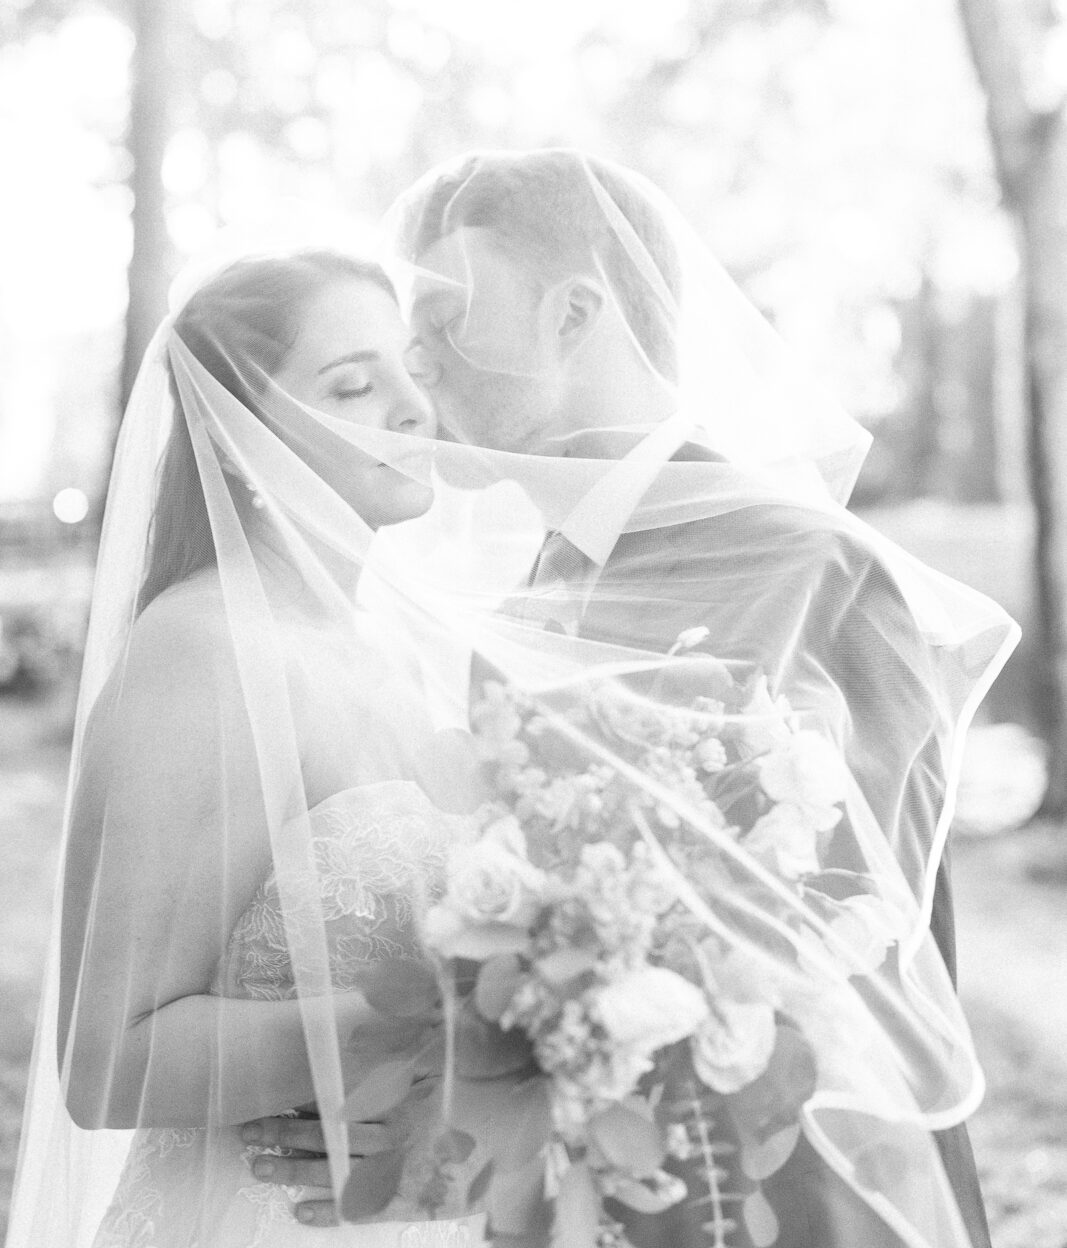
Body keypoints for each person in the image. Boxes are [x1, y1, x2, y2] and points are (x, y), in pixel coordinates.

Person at [258, 150, 1016, 1248]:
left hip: (786, 1206)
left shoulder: (814, 571)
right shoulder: (530, 596)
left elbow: (832, 976)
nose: (412, 367)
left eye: (444, 317)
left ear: (574, 316)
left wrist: (459, 1133)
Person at [6, 249, 510, 1248]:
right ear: (236, 435)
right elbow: (113, 1059)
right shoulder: (204, 650)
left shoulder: (387, 654)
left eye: (409, 368)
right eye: (354, 385)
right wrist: (456, 1022)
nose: (413, 407)